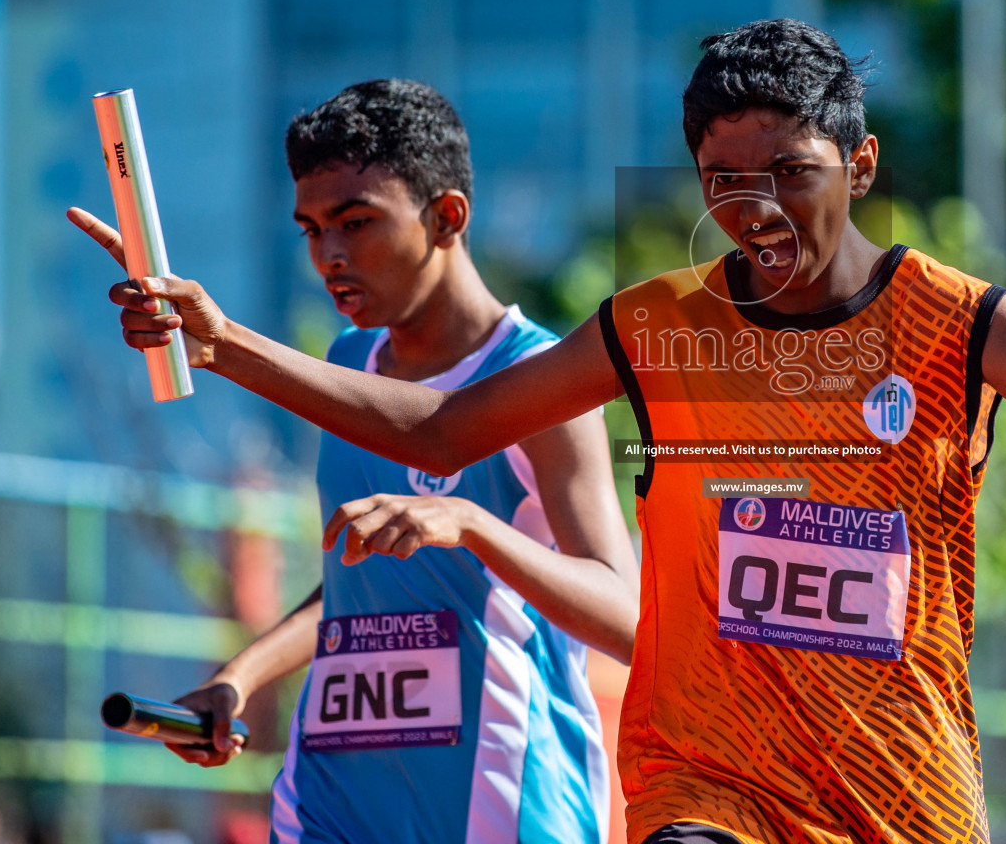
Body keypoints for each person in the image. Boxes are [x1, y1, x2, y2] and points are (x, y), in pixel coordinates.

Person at [73, 21, 1006, 844]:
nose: (757, 205)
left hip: (898, 785)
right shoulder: (658, 324)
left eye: (792, 170)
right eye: (726, 179)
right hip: (703, 781)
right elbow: (444, 428)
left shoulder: (960, 322)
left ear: (863, 165)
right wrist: (225, 340)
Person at [74, 79, 638, 844]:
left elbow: (630, 619)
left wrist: (473, 525)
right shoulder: (349, 360)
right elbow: (355, 575)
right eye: (310, 229)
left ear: (447, 217)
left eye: (356, 222)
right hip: (333, 793)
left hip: (499, 798)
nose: (329, 256)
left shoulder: (538, 382)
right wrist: (239, 679)